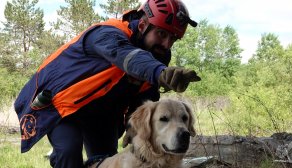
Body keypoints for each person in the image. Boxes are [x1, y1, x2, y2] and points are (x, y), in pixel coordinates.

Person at [14, 0, 200, 167]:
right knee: (69, 153)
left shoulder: (158, 55)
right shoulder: (108, 33)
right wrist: (159, 72)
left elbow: (144, 96)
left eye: (173, 39)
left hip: (103, 113)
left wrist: (133, 128)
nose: (166, 44)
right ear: (143, 25)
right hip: (64, 106)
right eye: (161, 34)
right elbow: (128, 57)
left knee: (107, 161)